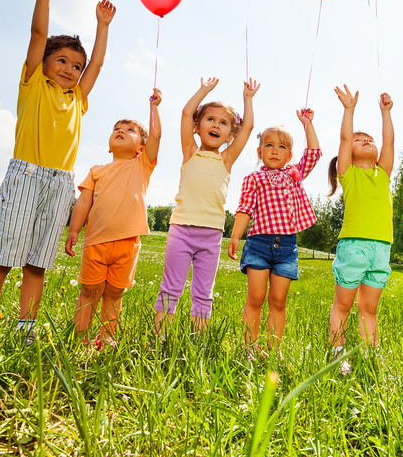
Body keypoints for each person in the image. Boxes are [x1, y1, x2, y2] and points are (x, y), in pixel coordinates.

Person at [0, 0, 116, 349]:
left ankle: (25, 330)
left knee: (37, 262)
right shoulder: (33, 83)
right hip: (26, 175)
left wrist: (102, 26)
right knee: (3, 256)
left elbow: (99, 63)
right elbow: (38, 32)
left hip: (60, 184)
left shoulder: (78, 98)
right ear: (46, 64)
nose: (71, 69)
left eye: (77, 65)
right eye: (63, 61)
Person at [154, 77, 259, 335]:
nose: (216, 125)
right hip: (181, 230)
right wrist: (204, 90)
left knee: (203, 291)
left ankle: (198, 338)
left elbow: (247, 129)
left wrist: (248, 98)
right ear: (197, 127)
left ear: (229, 135)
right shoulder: (189, 151)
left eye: (223, 123)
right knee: (171, 287)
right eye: (210, 119)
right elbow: (186, 112)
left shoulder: (226, 159)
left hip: (211, 234)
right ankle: (159, 338)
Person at [65, 90, 162, 350]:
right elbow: (83, 202)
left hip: (128, 243)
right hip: (96, 241)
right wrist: (74, 231)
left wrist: (154, 108)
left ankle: (106, 336)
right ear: (109, 144)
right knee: (89, 290)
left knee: (114, 293)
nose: (121, 130)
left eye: (130, 130)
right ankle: (81, 336)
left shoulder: (142, 164)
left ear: (141, 146)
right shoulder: (96, 171)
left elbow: (156, 137)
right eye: (117, 128)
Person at [228, 110, 322, 355]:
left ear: (289, 155)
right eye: (268, 145)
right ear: (259, 152)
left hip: (287, 247)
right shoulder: (254, 178)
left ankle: (272, 350)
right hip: (259, 244)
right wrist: (236, 235)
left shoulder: (294, 176)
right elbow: (245, 208)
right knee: (256, 298)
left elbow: (314, 153)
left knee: (278, 301)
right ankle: (249, 346)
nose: (274, 150)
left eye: (282, 147)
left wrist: (307, 123)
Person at [327, 85, 394, 373]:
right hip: (353, 245)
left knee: (369, 308)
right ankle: (337, 352)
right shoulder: (349, 173)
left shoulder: (383, 174)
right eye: (359, 140)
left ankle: (370, 354)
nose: (366, 140)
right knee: (343, 305)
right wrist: (349, 109)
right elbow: (344, 138)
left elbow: (389, 144)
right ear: (347, 154)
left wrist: (386, 113)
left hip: (381, 248)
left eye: (369, 139)